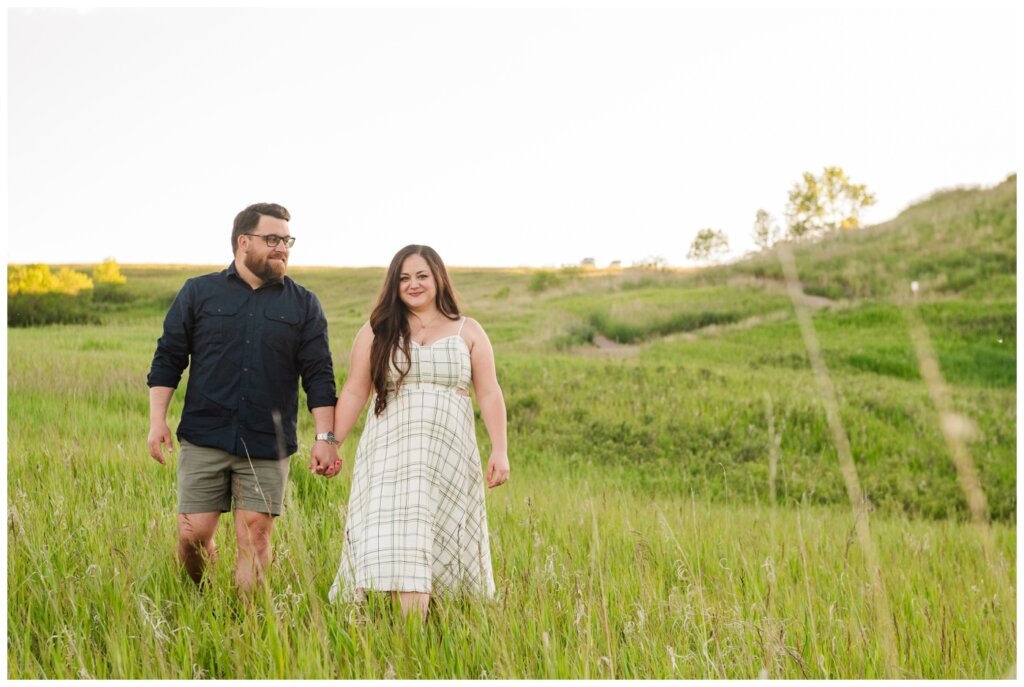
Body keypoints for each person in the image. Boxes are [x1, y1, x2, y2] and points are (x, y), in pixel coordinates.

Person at [146, 202, 340, 593]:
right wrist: (157, 421)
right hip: (205, 435)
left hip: (267, 442)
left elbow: (319, 375)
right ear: (243, 241)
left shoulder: (303, 304)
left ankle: (245, 623)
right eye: (272, 239)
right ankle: (200, 599)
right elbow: (169, 357)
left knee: (256, 536)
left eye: (287, 240)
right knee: (193, 534)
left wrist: (325, 438)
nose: (281, 248)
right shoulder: (199, 292)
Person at [322, 244, 510, 620]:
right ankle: (409, 634)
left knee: (442, 533)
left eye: (422, 275)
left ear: (439, 278)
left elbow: (489, 392)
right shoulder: (377, 329)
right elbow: (357, 390)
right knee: (399, 534)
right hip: (390, 454)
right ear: (394, 284)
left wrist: (499, 450)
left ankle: (434, 624)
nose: (413, 284)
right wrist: (330, 442)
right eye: (404, 277)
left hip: (449, 456)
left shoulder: (467, 330)